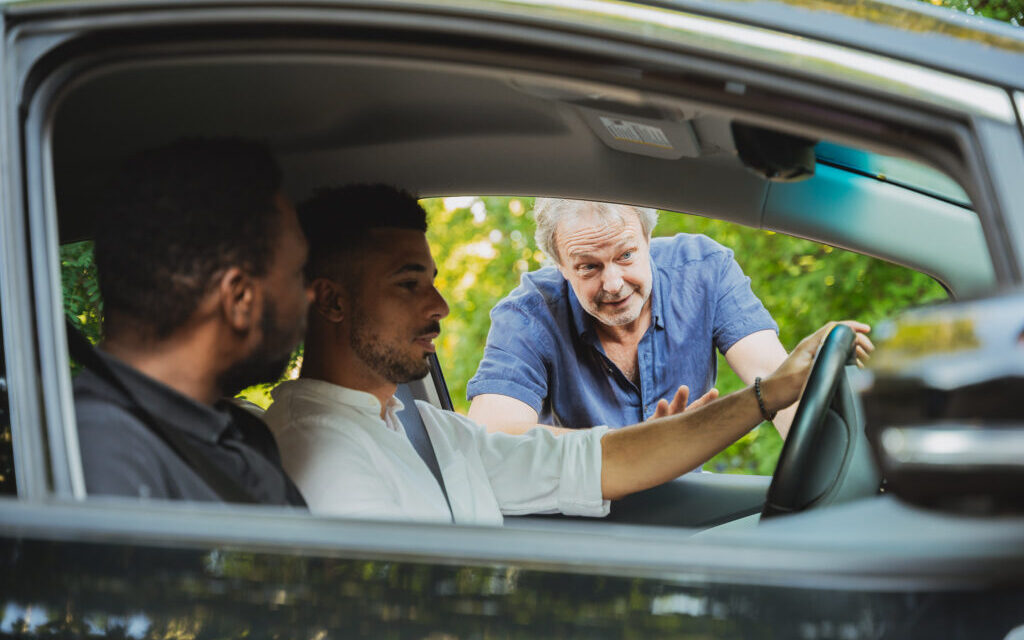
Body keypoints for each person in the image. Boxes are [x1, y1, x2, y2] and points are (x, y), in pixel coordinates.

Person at [263, 185, 872, 525]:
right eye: (408, 284)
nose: (441, 306)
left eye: (627, 257)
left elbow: (593, 459)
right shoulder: (321, 458)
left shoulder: (424, 430)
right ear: (333, 303)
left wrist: (773, 392)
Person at [466, 198, 870, 439]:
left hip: (684, 503)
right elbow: (494, 434)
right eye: (588, 267)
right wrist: (645, 447)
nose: (613, 283)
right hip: (579, 522)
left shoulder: (705, 269)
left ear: (648, 240)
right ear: (561, 268)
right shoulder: (527, 314)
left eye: (626, 255)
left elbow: (777, 382)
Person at [74, 139, 313, 504]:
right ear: (239, 298)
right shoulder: (107, 456)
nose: (308, 295)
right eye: (298, 274)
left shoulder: (242, 436)